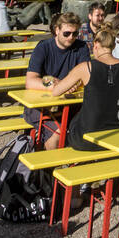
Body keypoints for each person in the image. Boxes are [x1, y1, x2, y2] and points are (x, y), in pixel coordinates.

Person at [49, 21, 119, 150]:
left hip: (85, 139)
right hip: (116, 136)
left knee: (70, 119)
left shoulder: (85, 67)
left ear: (95, 45)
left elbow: (56, 92)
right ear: (113, 46)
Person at [24, 12, 90, 149]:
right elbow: (30, 81)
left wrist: (72, 84)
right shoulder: (43, 47)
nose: (71, 37)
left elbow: (86, 76)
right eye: (67, 33)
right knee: (57, 132)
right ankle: (50, 169)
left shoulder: (82, 47)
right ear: (57, 30)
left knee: (92, 126)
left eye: (75, 33)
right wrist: (55, 84)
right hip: (41, 105)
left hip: (70, 104)